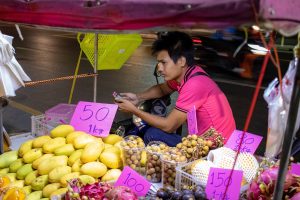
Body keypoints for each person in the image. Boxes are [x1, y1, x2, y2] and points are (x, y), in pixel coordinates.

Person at [115, 31, 236, 147]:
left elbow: (169, 126)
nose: (160, 68)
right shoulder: (190, 73)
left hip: (215, 149)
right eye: (158, 63)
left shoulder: (195, 84)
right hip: (200, 140)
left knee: (153, 135)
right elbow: (163, 89)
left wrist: (134, 110)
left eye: (164, 62)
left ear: (181, 61)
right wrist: (137, 97)